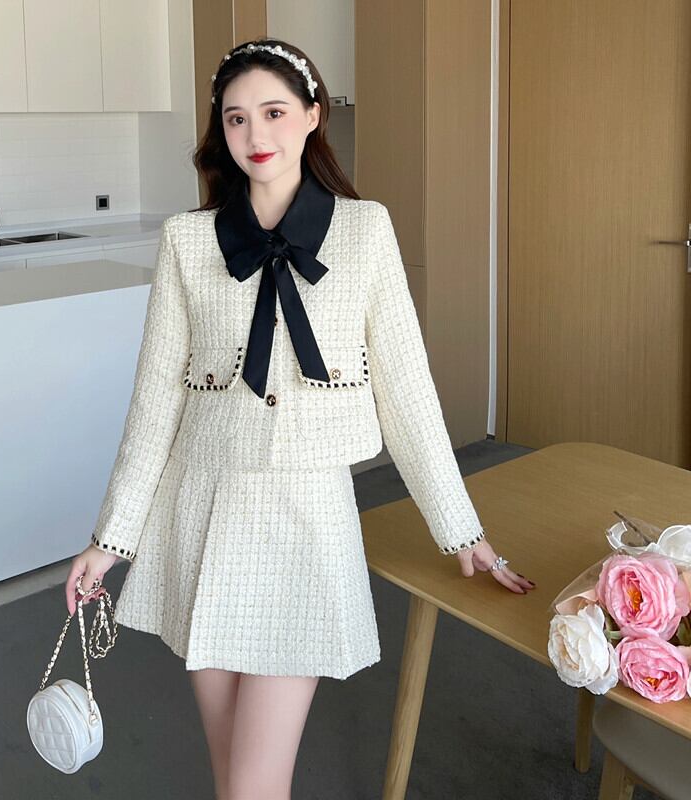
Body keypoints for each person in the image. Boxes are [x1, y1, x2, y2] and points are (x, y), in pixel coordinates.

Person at [64, 37, 536, 800]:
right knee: (233, 779)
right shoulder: (188, 241)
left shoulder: (365, 230)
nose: (256, 135)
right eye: (236, 118)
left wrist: (461, 528)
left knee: (255, 783)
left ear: (314, 116)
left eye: (275, 112)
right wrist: (109, 540)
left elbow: (407, 392)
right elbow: (154, 404)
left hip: (306, 519)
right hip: (200, 514)